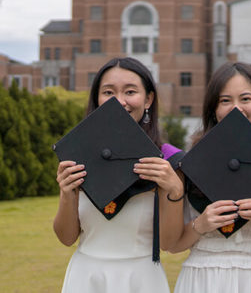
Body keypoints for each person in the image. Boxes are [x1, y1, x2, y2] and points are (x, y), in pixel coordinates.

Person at [53, 57, 184, 293]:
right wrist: (67, 194)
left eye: (130, 91)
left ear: (148, 99)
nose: (119, 101)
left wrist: (175, 190)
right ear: (97, 99)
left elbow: (170, 243)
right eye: (108, 92)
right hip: (86, 277)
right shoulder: (80, 156)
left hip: (142, 279)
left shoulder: (166, 162)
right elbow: (66, 238)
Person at [169, 62, 251, 293]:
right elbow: (173, 246)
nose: (236, 108)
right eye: (225, 100)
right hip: (201, 277)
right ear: (214, 110)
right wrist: (202, 224)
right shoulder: (190, 165)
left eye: (245, 99)